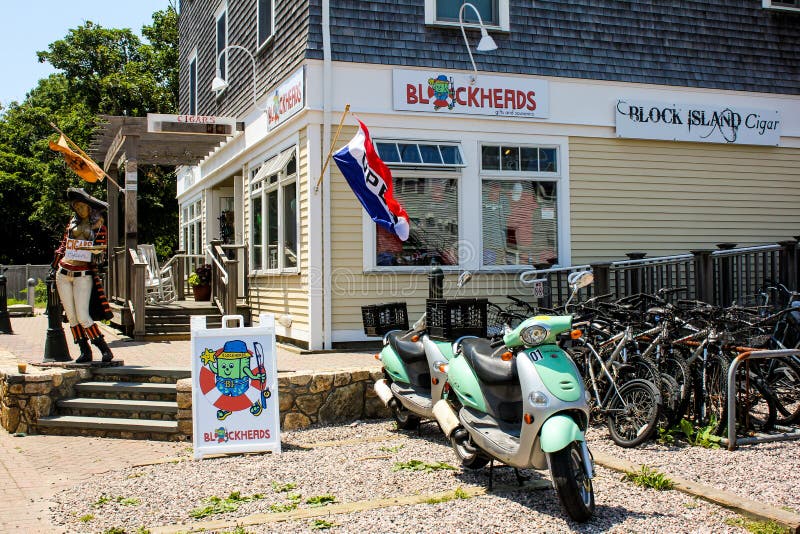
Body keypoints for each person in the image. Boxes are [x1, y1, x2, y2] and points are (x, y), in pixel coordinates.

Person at [51, 188, 114, 363]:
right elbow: (64, 245)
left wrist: (90, 251)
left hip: (83, 273)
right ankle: (84, 350)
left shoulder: (100, 226)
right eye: (76, 207)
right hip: (63, 272)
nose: (79, 210)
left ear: (90, 208)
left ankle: (104, 348)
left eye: (82, 206)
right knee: (71, 316)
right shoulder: (71, 223)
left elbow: (100, 251)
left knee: (83, 315)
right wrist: (54, 264)